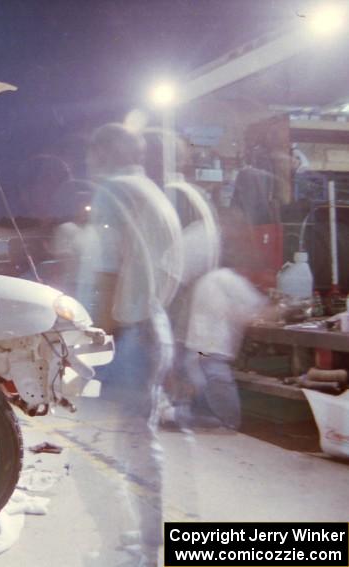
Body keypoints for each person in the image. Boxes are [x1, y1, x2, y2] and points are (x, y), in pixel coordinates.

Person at [75, 123, 183, 566]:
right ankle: (146, 548)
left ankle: (121, 551)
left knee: (91, 453)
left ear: (103, 152)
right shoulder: (155, 195)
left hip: (122, 335)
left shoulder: (113, 192)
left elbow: (106, 271)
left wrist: (92, 343)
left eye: (90, 152)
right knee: (139, 444)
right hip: (152, 326)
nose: (86, 161)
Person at [165, 267, 268, 430]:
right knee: (225, 414)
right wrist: (283, 310)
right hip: (209, 352)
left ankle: (175, 415)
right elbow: (257, 311)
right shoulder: (227, 278)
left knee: (206, 404)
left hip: (198, 352)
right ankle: (174, 415)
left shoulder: (204, 281)